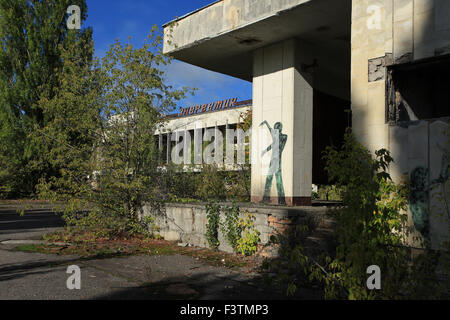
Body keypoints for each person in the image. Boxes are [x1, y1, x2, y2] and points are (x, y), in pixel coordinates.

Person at [260, 120, 287, 205]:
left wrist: (267, 124)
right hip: (273, 160)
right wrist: (265, 151)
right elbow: (273, 144)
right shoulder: (277, 138)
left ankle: (282, 200)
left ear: (279, 129)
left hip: (277, 160)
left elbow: (276, 141)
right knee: (269, 179)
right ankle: (266, 198)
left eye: (276, 129)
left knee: (279, 180)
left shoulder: (284, 137)